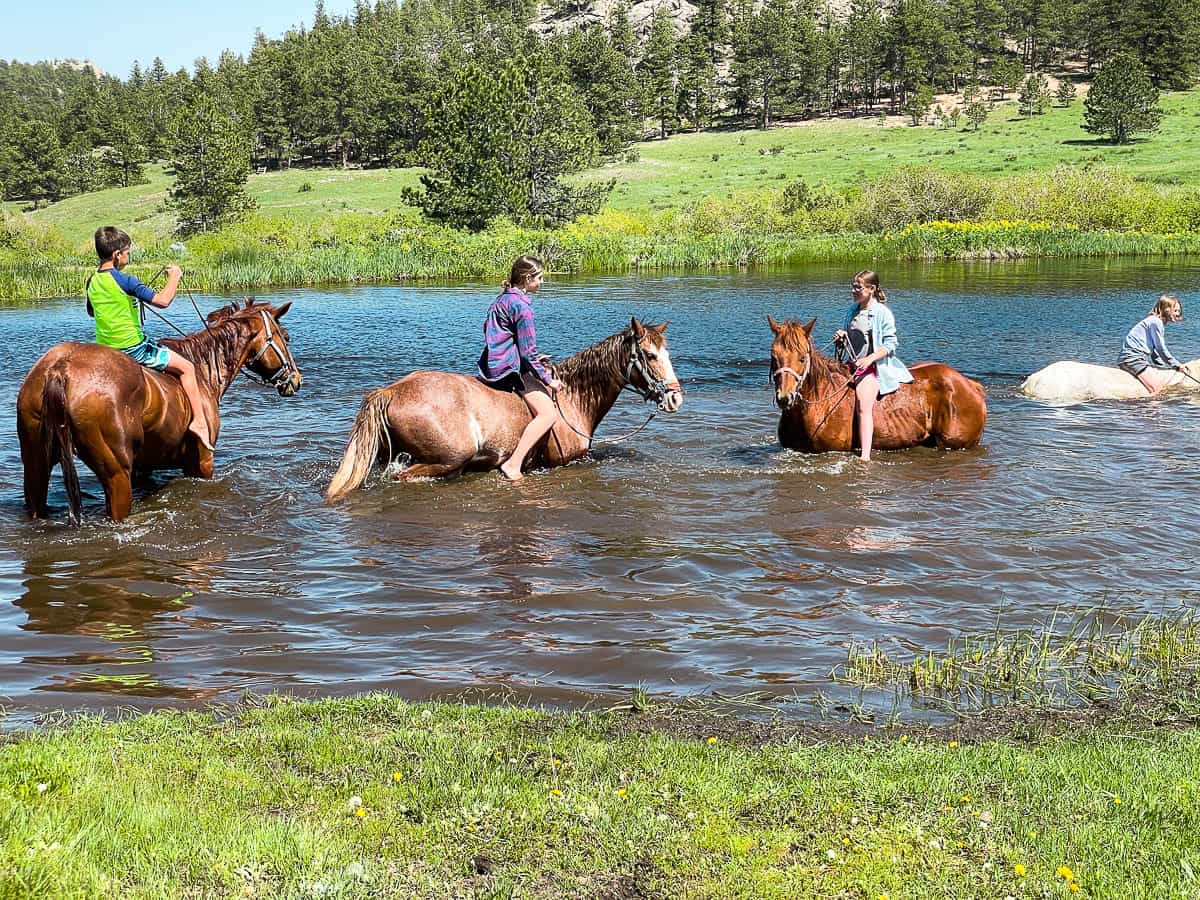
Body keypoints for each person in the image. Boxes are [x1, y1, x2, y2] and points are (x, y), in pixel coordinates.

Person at [87, 226, 213, 450]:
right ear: (117, 254)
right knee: (187, 368)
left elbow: (92, 311)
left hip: (106, 352)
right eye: (127, 251)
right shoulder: (126, 281)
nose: (128, 255)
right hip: (133, 349)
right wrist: (175, 276)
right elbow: (163, 301)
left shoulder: (92, 281)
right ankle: (200, 422)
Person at [478, 255, 565, 480]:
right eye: (540, 277)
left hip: (491, 363)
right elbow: (527, 354)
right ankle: (514, 464)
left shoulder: (501, 300)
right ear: (527, 279)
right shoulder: (522, 307)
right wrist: (549, 379)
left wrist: (533, 355)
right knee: (548, 414)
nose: (542, 282)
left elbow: (500, 336)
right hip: (509, 368)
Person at [833, 269, 913, 462]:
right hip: (851, 364)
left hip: (874, 368)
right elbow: (854, 339)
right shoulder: (852, 310)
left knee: (863, 403)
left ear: (871, 289)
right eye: (853, 286)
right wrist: (842, 337)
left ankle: (865, 456)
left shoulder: (882, 313)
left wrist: (869, 360)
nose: (853, 290)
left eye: (858, 287)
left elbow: (890, 345)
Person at [1118, 295, 1185, 395]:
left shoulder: (1153, 321)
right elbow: (1161, 348)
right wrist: (1176, 364)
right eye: (1175, 310)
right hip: (1133, 359)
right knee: (1158, 390)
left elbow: (1154, 351)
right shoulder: (1156, 322)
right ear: (1166, 309)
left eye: (1178, 311)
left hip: (1133, 358)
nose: (1178, 313)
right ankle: (1150, 409)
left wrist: (1162, 365)